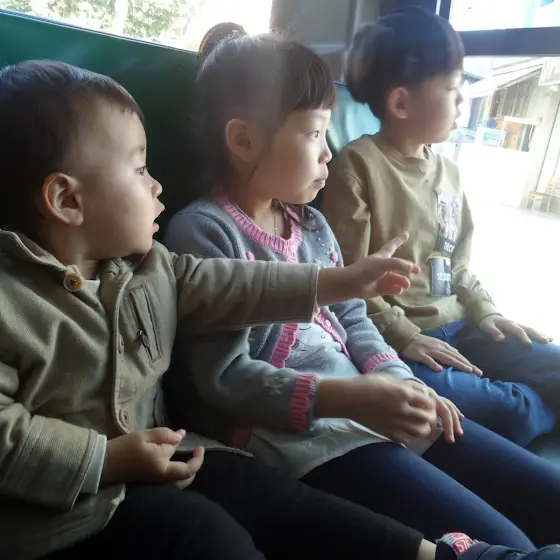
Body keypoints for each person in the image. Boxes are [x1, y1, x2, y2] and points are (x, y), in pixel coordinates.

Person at [0, 59, 468, 560]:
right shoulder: (12, 303)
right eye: (139, 170)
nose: (157, 186)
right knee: (211, 537)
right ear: (67, 199)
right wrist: (106, 459)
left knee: (275, 499)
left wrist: (340, 281)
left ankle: (436, 554)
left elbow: (233, 282)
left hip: (171, 458)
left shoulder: (145, 267)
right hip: (68, 517)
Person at [163, 32, 560, 554]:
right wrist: (353, 398)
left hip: (368, 403)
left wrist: (399, 382)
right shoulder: (204, 235)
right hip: (308, 437)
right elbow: (225, 379)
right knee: (508, 542)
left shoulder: (311, 226)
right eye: (313, 133)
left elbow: (353, 318)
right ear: (243, 141)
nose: (328, 151)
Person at [320, 7, 560, 448]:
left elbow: (457, 263)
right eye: (451, 87)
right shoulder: (357, 167)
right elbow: (348, 284)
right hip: (403, 342)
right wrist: (405, 335)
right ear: (401, 103)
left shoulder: (449, 172)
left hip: (463, 324)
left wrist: (486, 311)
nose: (462, 100)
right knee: (515, 411)